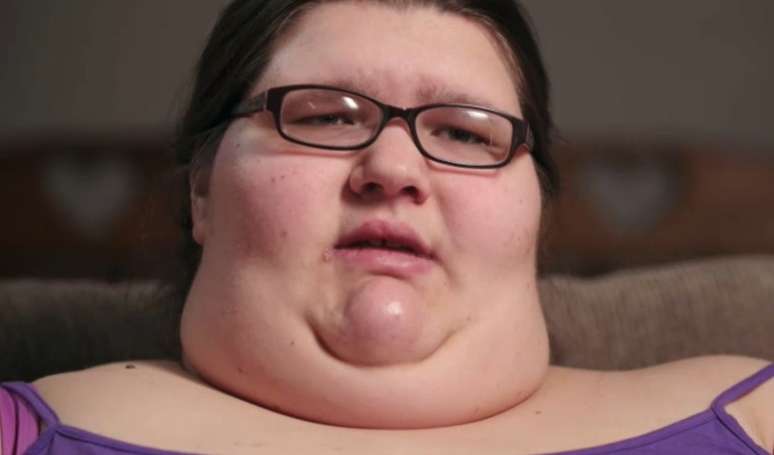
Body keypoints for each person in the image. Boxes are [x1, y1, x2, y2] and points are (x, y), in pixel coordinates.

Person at [1, 0, 772, 454]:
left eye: (465, 132)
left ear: (536, 210)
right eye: (324, 116)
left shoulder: (756, 416)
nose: (394, 167)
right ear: (202, 190)